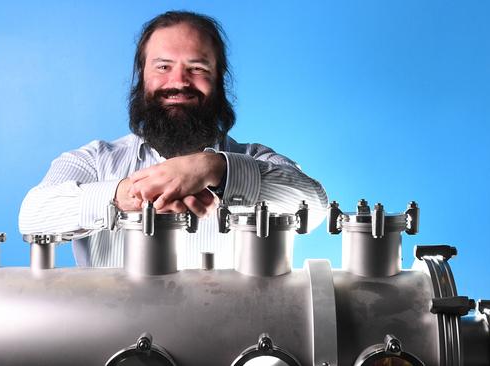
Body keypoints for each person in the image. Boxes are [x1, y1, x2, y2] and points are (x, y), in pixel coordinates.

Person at [19, 11, 328, 269]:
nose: (179, 81)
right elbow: (32, 216)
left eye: (197, 68)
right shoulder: (93, 160)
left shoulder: (257, 159)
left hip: (228, 339)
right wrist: (126, 193)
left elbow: (314, 206)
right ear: (143, 77)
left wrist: (214, 169)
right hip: (113, 341)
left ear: (219, 80)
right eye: (163, 67)